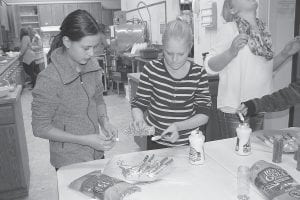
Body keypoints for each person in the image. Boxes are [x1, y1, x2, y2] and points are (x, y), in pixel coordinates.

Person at [31, 9, 118, 170]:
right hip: (68, 161)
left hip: (96, 153)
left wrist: (105, 122)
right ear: (67, 42)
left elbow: (98, 99)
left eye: (94, 47)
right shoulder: (49, 79)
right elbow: (40, 128)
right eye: (86, 48)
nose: (91, 54)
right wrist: (85, 139)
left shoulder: (92, 67)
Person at [204, 0, 300, 138]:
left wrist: (285, 54)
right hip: (235, 108)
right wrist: (231, 51)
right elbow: (209, 66)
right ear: (232, 9)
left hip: (259, 105)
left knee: (253, 153)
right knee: (237, 155)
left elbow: (266, 70)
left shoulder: (264, 31)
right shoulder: (230, 29)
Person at [131, 19, 211, 150]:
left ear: (189, 48)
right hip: (156, 142)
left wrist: (178, 126)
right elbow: (138, 104)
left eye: (181, 54)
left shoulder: (198, 73)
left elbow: (204, 114)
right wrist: (139, 120)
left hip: (188, 143)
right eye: (169, 53)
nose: (174, 60)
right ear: (162, 47)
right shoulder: (151, 70)